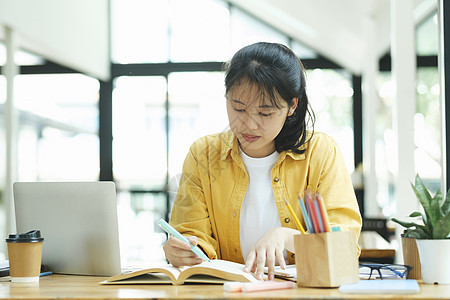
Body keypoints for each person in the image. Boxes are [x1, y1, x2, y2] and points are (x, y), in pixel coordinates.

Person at [163, 42, 362, 281]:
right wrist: (185, 251)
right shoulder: (203, 154)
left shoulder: (320, 153)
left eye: (265, 113)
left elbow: (344, 244)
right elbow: (192, 235)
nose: (250, 124)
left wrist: (288, 238)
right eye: (238, 108)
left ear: (292, 106)